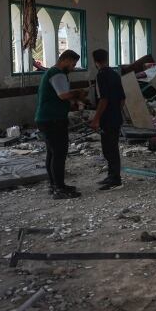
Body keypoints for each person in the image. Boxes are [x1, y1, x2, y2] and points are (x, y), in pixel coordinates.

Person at [35, 50, 87, 199]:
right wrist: (79, 93)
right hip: (52, 120)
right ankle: (59, 189)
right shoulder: (58, 74)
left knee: (52, 153)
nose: (73, 67)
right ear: (65, 60)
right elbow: (63, 95)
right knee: (59, 154)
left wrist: (72, 103)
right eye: (73, 64)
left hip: (46, 119)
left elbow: (59, 98)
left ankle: (55, 185)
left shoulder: (51, 73)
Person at [90, 49, 125, 191]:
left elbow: (103, 99)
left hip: (107, 118)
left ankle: (115, 179)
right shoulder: (115, 74)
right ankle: (112, 175)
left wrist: (96, 119)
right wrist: (116, 111)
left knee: (109, 149)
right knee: (111, 148)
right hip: (116, 116)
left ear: (95, 61)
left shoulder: (101, 75)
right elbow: (122, 99)